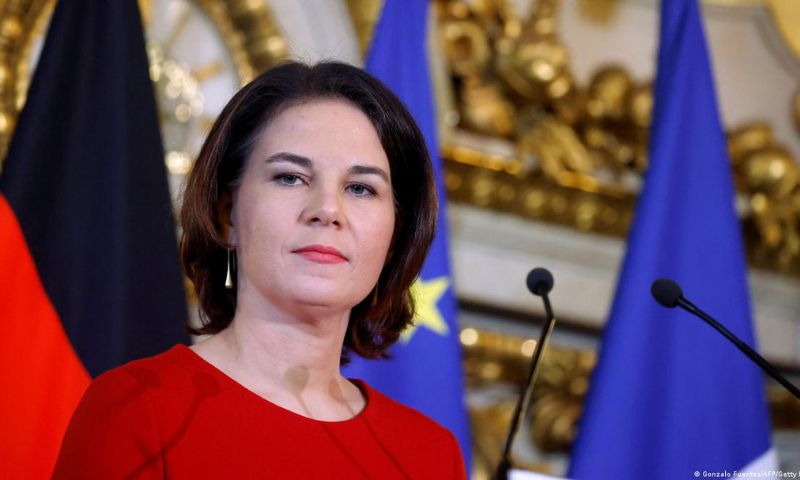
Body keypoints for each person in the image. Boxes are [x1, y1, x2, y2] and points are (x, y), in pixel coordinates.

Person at [52, 61, 467, 479]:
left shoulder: (431, 456)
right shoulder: (137, 409)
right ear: (227, 214)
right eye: (290, 178)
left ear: (395, 234)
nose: (327, 210)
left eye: (361, 188)